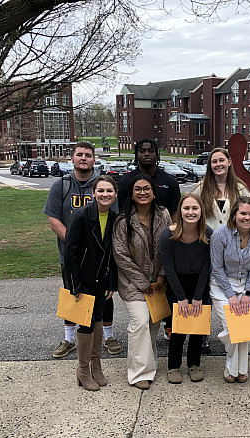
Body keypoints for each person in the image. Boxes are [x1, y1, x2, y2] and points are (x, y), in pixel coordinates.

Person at [43, 142, 121, 359]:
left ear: (94, 159)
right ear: (73, 158)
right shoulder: (62, 185)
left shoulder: (103, 185)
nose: (84, 158)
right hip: (73, 255)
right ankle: (69, 338)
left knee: (105, 297)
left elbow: (114, 219)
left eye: (88, 155)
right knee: (72, 293)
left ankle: (108, 336)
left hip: (101, 257)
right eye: (80, 155)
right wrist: (75, 244)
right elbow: (53, 219)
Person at [118, 139, 181, 343]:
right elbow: (122, 214)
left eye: (150, 150)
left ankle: (170, 328)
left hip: (162, 252)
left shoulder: (169, 181)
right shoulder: (126, 181)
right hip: (136, 249)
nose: (146, 154)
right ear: (136, 154)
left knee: (162, 306)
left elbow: (175, 213)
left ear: (156, 153)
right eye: (142, 151)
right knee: (142, 321)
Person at [113, 174, 172, 389]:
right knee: (139, 323)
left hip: (158, 282)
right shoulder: (123, 221)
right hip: (132, 284)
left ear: (153, 191)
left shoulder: (164, 215)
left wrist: (162, 276)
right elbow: (120, 255)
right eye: (137, 189)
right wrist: (142, 282)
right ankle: (139, 374)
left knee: (153, 323)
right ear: (131, 193)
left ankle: (150, 363)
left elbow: (169, 247)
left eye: (146, 188)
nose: (143, 192)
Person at [192, 146, 250, 352]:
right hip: (205, 247)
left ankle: (235, 331)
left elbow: (248, 215)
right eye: (214, 161)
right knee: (203, 293)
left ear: (229, 162)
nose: (218, 164)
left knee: (230, 291)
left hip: (233, 249)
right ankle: (202, 335)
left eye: (221, 160)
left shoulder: (240, 189)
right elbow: (191, 211)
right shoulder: (201, 188)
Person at [62, 175, 118, 391]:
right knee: (85, 325)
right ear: (93, 193)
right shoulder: (81, 216)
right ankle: (83, 369)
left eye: (109, 191)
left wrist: (111, 282)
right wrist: (74, 285)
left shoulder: (114, 218)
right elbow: (70, 253)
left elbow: (113, 255)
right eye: (101, 191)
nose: (105, 195)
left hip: (102, 280)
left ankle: (96, 365)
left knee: (97, 321)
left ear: (115, 194)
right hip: (83, 281)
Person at [210, 196, 250, 383]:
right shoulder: (220, 234)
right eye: (243, 213)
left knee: (249, 329)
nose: (247, 217)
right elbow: (217, 268)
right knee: (232, 327)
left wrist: (247, 293)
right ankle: (232, 365)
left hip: (249, 284)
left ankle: (239, 368)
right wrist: (231, 296)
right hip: (222, 283)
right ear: (234, 215)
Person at [159, 193, 213, 384]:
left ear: (201, 211)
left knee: (197, 328)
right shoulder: (167, 236)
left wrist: (198, 296)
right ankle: (173, 366)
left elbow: (207, 267)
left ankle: (194, 364)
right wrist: (181, 297)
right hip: (176, 285)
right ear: (180, 210)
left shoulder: (208, 234)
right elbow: (169, 270)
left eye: (195, 208)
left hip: (200, 284)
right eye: (186, 208)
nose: (191, 212)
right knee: (177, 329)